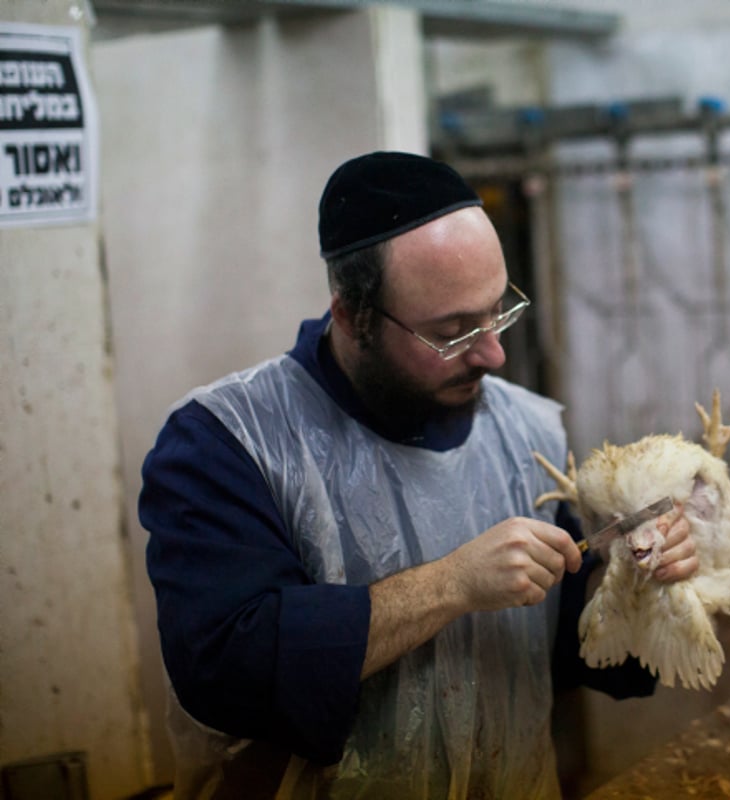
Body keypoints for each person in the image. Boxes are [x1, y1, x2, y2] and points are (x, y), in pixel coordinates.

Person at [139, 151, 699, 799]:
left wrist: (638, 583)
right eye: (453, 332)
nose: (494, 353)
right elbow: (228, 672)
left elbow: (576, 645)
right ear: (354, 316)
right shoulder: (229, 442)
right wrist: (451, 584)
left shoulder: (526, 431)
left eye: (498, 310)